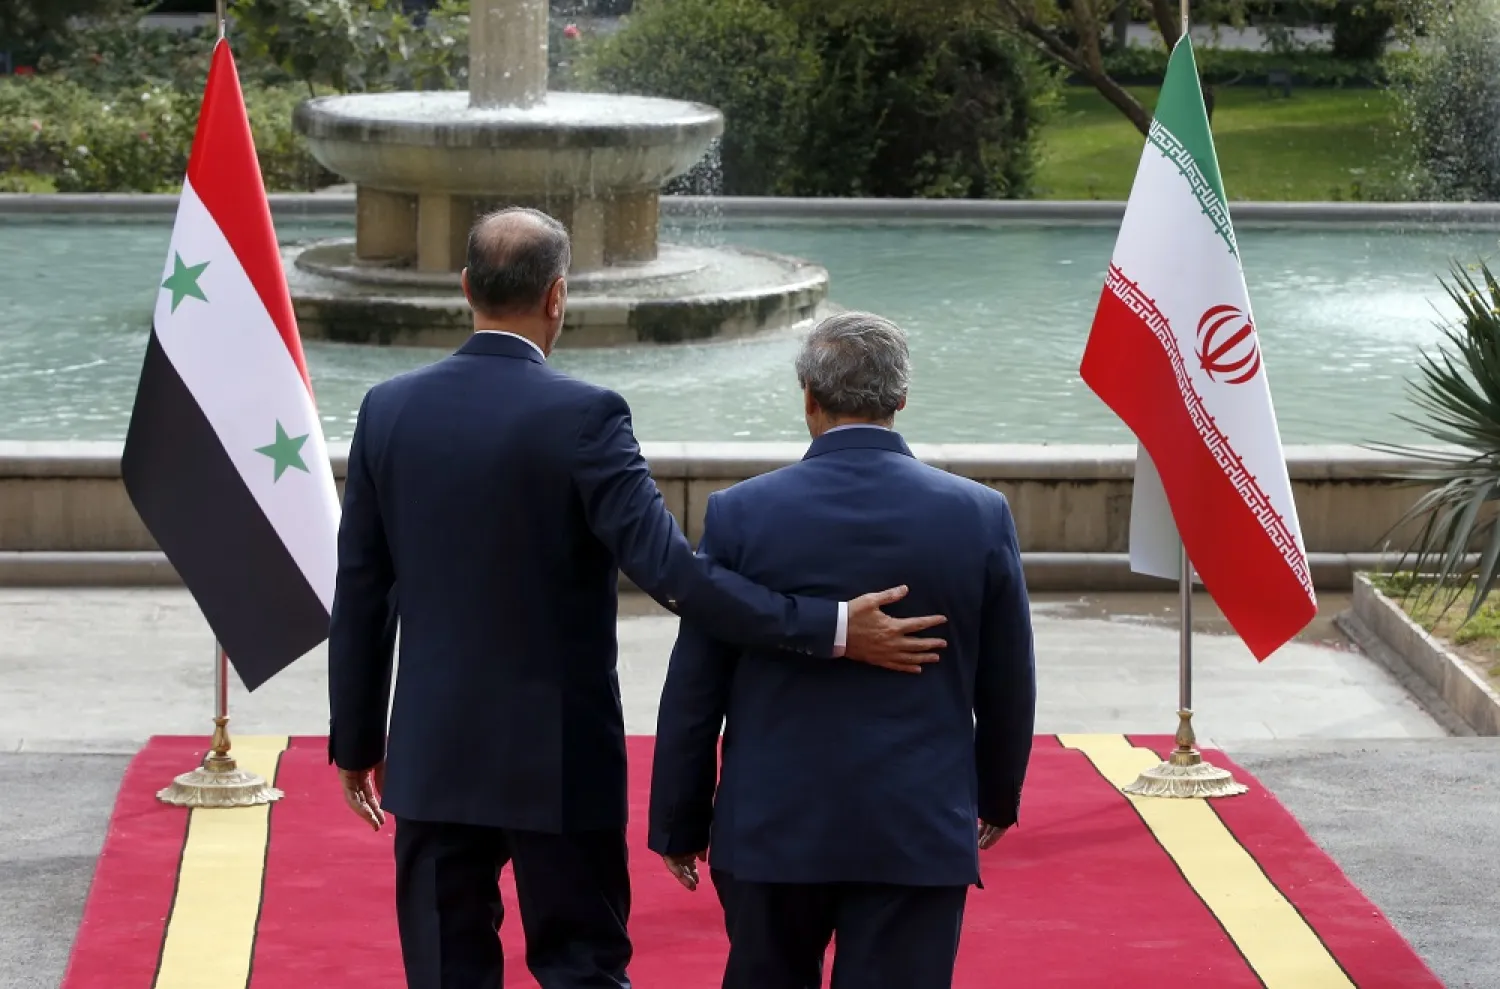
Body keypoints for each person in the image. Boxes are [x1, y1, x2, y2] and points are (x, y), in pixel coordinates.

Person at [327, 209, 947, 989]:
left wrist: (356, 739)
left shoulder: (388, 408)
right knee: (581, 966)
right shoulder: (585, 416)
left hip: (431, 748)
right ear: (558, 295)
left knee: (446, 972)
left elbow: (362, 586)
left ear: (464, 288)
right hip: (559, 757)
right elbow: (676, 576)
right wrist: (825, 626)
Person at [648, 311, 1037, 989]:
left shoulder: (741, 513)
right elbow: (1008, 682)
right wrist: (997, 793)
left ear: (808, 397)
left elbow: (696, 687)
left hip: (772, 828)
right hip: (915, 828)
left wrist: (682, 818)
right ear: (901, 399)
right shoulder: (979, 515)